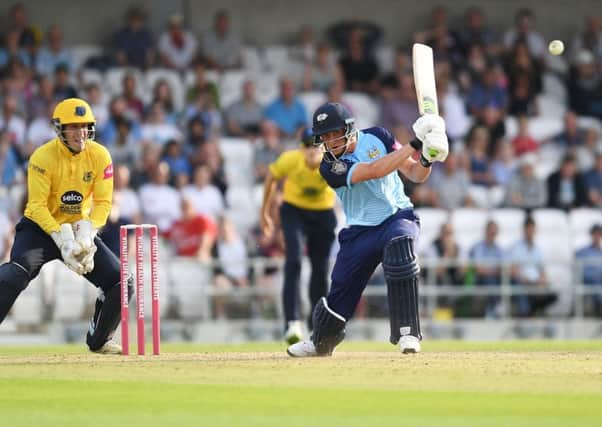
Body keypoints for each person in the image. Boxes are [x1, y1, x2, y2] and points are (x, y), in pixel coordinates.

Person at [287, 102, 448, 357]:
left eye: (334, 133)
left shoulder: (378, 136)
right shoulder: (329, 167)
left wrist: (427, 158)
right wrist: (416, 142)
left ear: (349, 129)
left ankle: (408, 333)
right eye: (325, 137)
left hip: (396, 216)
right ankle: (321, 342)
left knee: (400, 248)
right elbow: (375, 170)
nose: (330, 141)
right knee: (341, 287)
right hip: (360, 230)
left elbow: (415, 174)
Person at [0, 98, 129, 354]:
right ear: (60, 128)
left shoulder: (100, 155)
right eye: (73, 127)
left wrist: (88, 234)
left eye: (84, 126)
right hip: (41, 229)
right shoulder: (42, 156)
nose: (80, 133)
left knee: (121, 282)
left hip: (80, 229)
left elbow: (103, 203)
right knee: (15, 274)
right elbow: (36, 206)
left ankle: (99, 339)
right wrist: (60, 237)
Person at [260, 128, 337, 344]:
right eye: (307, 146)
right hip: (294, 210)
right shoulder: (290, 159)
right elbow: (271, 177)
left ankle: (317, 325)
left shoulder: (331, 161)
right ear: (301, 148)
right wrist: (264, 213)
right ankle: (292, 323)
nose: (312, 151)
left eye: (316, 146)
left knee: (320, 268)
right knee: (293, 260)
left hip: (323, 212)